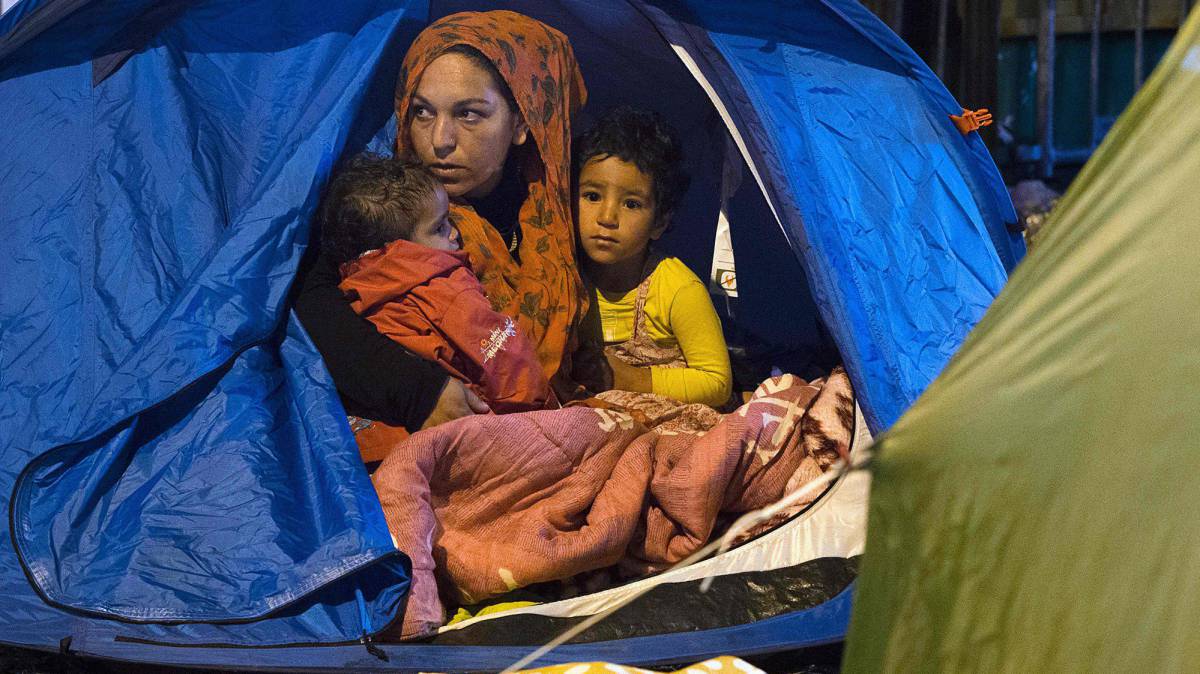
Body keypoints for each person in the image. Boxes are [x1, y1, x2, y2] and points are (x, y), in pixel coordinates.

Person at [293, 11, 587, 431]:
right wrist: (420, 391)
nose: (439, 141)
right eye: (422, 112)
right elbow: (310, 300)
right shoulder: (384, 207)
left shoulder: (555, 212)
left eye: (469, 114)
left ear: (522, 122)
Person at [321, 154, 552, 415]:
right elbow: (506, 362)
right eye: (439, 227)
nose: (454, 232)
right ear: (400, 251)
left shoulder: (357, 294)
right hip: (491, 416)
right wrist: (543, 405)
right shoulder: (449, 292)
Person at [574, 107, 732, 408]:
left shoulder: (678, 289)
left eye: (631, 204)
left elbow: (717, 383)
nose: (607, 217)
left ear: (659, 222)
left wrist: (634, 380)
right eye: (592, 196)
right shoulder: (565, 275)